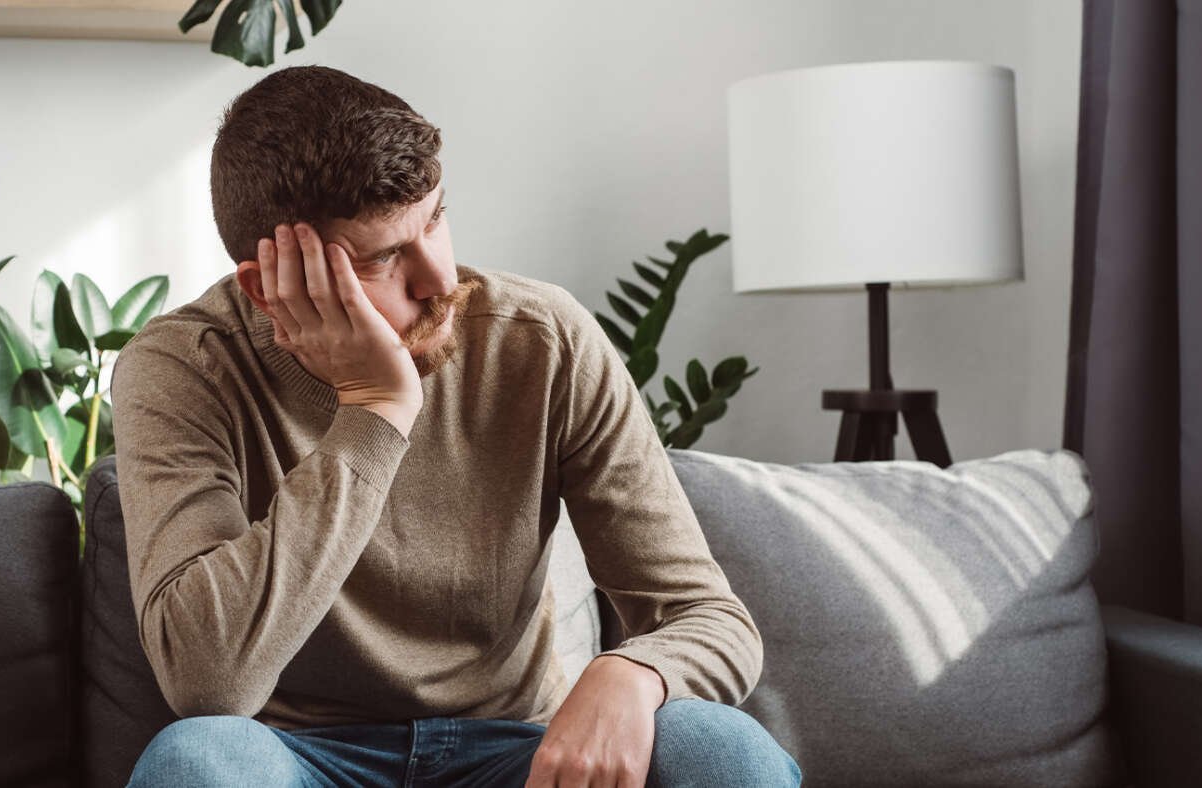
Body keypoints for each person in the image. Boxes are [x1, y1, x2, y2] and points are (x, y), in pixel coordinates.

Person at [112, 64, 802, 787]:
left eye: (436, 217)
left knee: (719, 749)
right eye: (383, 257)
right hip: (300, 761)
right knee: (196, 764)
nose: (439, 277)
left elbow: (708, 618)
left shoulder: (542, 340)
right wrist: (374, 411)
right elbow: (207, 685)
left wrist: (634, 673)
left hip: (520, 752)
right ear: (268, 284)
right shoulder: (185, 367)